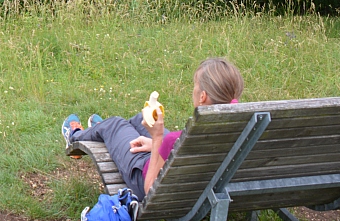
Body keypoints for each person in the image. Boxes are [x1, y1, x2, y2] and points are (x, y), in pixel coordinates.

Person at [62, 58, 244, 200]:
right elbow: (191, 147)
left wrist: (158, 139)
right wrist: (159, 144)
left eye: (195, 86)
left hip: (145, 178)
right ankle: (106, 134)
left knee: (114, 124)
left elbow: (151, 190)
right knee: (142, 118)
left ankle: (76, 135)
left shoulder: (176, 140)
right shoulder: (242, 128)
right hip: (201, 181)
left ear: (203, 96)